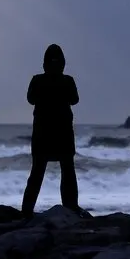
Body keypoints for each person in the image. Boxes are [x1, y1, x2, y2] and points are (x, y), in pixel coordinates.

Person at [21, 44, 88, 218]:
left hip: (43, 132)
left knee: (38, 171)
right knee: (67, 170)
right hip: (62, 131)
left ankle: (27, 210)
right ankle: (70, 207)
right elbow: (74, 99)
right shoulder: (67, 81)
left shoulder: (38, 80)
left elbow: (30, 99)